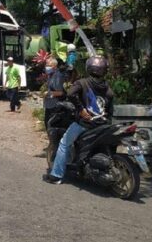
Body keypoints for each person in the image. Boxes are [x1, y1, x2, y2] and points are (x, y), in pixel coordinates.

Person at [46, 56, 114, 184]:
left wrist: (81, 110)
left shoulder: (82, 83)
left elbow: (71, 94)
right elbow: (110, 108)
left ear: (89, 68)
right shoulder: (107, 87)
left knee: (64, 143)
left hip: (86, 124)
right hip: (103, 125)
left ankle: (56, 175)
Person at [43, 57, 66, 172]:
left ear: (54, 66)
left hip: (55, 107)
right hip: (49, 105)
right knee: (48, 127)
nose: (46, 66)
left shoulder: (57, 76)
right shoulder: (51, 75)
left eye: (48, 64)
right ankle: (52, 147)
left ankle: (54, 150)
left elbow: (60, 92)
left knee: (52, 128)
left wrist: (49, 93)